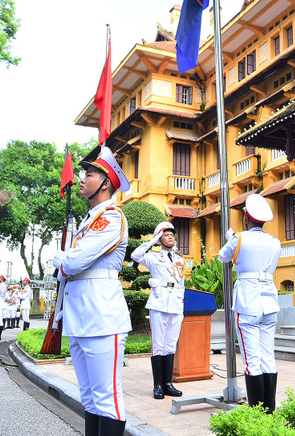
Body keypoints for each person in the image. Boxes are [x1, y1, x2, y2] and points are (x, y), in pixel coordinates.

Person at [52, 145, 131, 436]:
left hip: (102, 317)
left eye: (90, 174)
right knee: (90, 398)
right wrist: (66, 262)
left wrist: (61, 260)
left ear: (106, 182)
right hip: (81, 318)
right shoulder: (89, 221)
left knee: (106, 398)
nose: (82, 179)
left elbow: (72, 262)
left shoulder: (111, 218)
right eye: (83, 173)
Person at [217, 193, 281, 413]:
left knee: (252, 360)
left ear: (246, 218)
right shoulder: (275, 242)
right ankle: (269, 412)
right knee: (268, 358)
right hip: (269, 303)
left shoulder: (240, 238)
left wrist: (231, 238)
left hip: (248, 303)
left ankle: (256, 414)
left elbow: (223, 256)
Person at [131, 221, 185, 399]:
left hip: (176, 304)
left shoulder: (179, 259)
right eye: (166, 234)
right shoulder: (153, 257)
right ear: (159, 238)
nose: (170, 236)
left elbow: (182, 283)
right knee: (158, 346)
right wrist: (150, 242)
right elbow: (135, 255)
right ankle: (158, 386)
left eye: (172, 234)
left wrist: (181, 303)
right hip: (159, 303)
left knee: (170, 345)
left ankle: (168, 384)